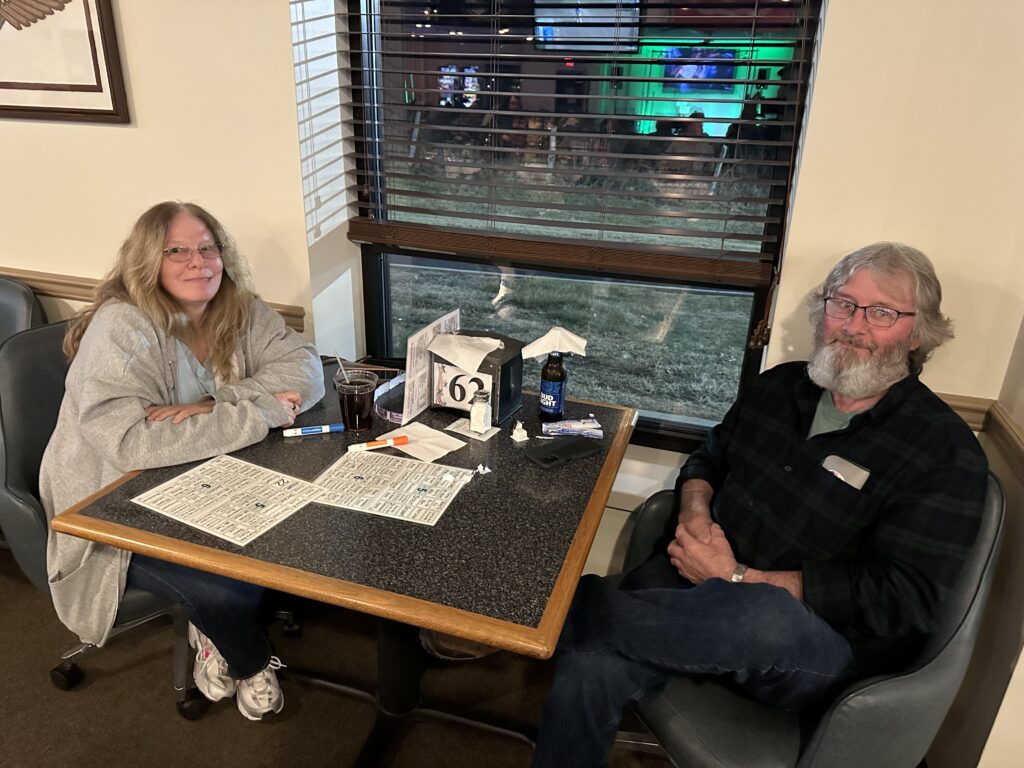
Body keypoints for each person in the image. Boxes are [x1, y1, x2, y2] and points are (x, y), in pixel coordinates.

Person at [532, 242, 988, 766]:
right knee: (590, 666)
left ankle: (551, 611)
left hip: (811, 643)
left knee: (764, 614)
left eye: (881, 312)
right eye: (842, 303)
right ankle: (570, 622)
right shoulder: (778, 386)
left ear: (918, 333)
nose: (853, 326)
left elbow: (906, 598)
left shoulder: (944, 452)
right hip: (694, 588)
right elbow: (708, 460)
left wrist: (738, 578)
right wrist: (696, 521)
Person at [40, 201, 325, 721]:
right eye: (177, 251)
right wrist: (259, 411)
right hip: (111, 506)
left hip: (202, 481)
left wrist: (214, 403)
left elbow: (305, 369)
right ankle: (248, 658)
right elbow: (132, 444)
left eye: (207, 248)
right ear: (148, 260)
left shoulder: (236, 306)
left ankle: (213, 629)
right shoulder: (122, 325)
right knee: (228, 585)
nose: (198, 262)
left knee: (287, 534)